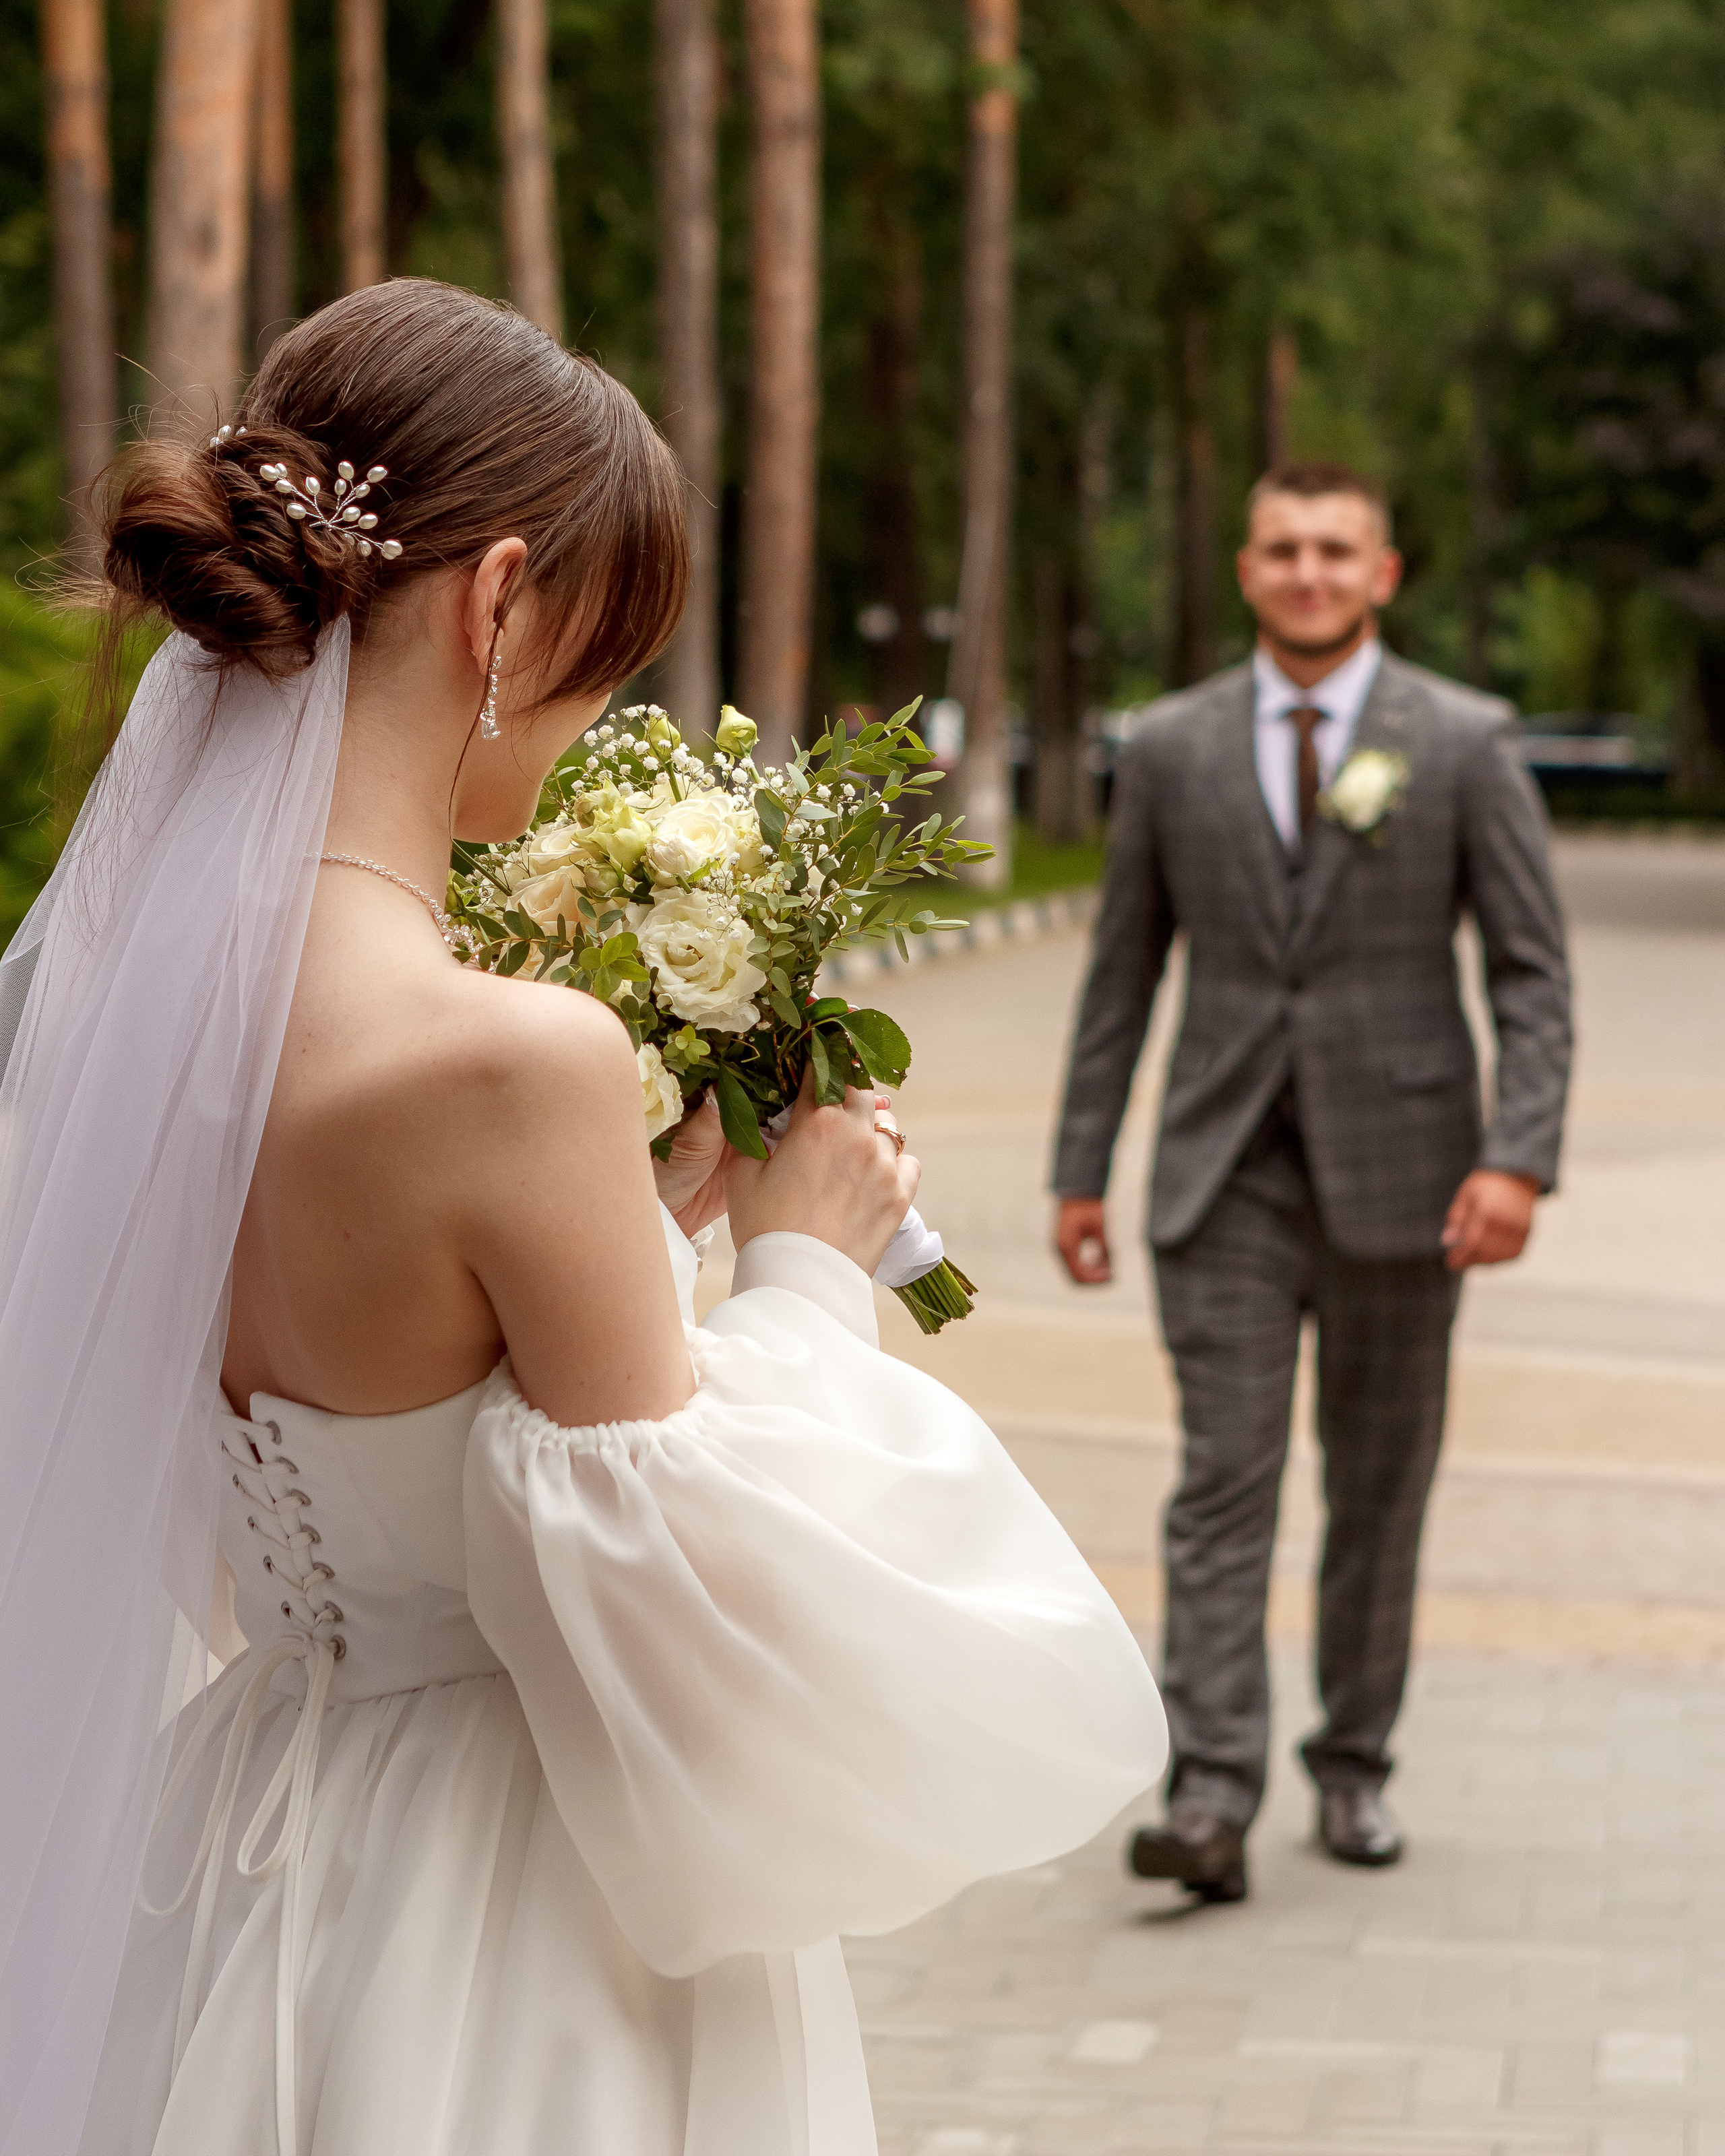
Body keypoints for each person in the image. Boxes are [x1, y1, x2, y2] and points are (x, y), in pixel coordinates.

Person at [0, 279, 1167, 2156]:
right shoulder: (507, 1056)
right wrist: (796, 1253)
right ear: (498, 602)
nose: (595, 721)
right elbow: (688, 1614)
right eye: (607, 662)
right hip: (518, 1903)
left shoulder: (104, 1035)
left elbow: (242, 1513)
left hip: (239, 1851)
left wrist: (639, 1233)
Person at [1052, 461, 1571, 1905]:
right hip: (1219, 1175)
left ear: (1381, 573)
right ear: (1243, 567)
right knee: (1221, 1480)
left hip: (1412, 1178)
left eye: (1334, 550)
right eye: (1281, 548)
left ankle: (1351, 1767)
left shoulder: (1462, 742)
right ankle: (1210, 1792)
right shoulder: (1166, 747)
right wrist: (1078, 1168)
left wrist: (1516, 1155)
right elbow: (1117, 977)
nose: (1307, 573)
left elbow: (1531, 973)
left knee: (1377, 1483)